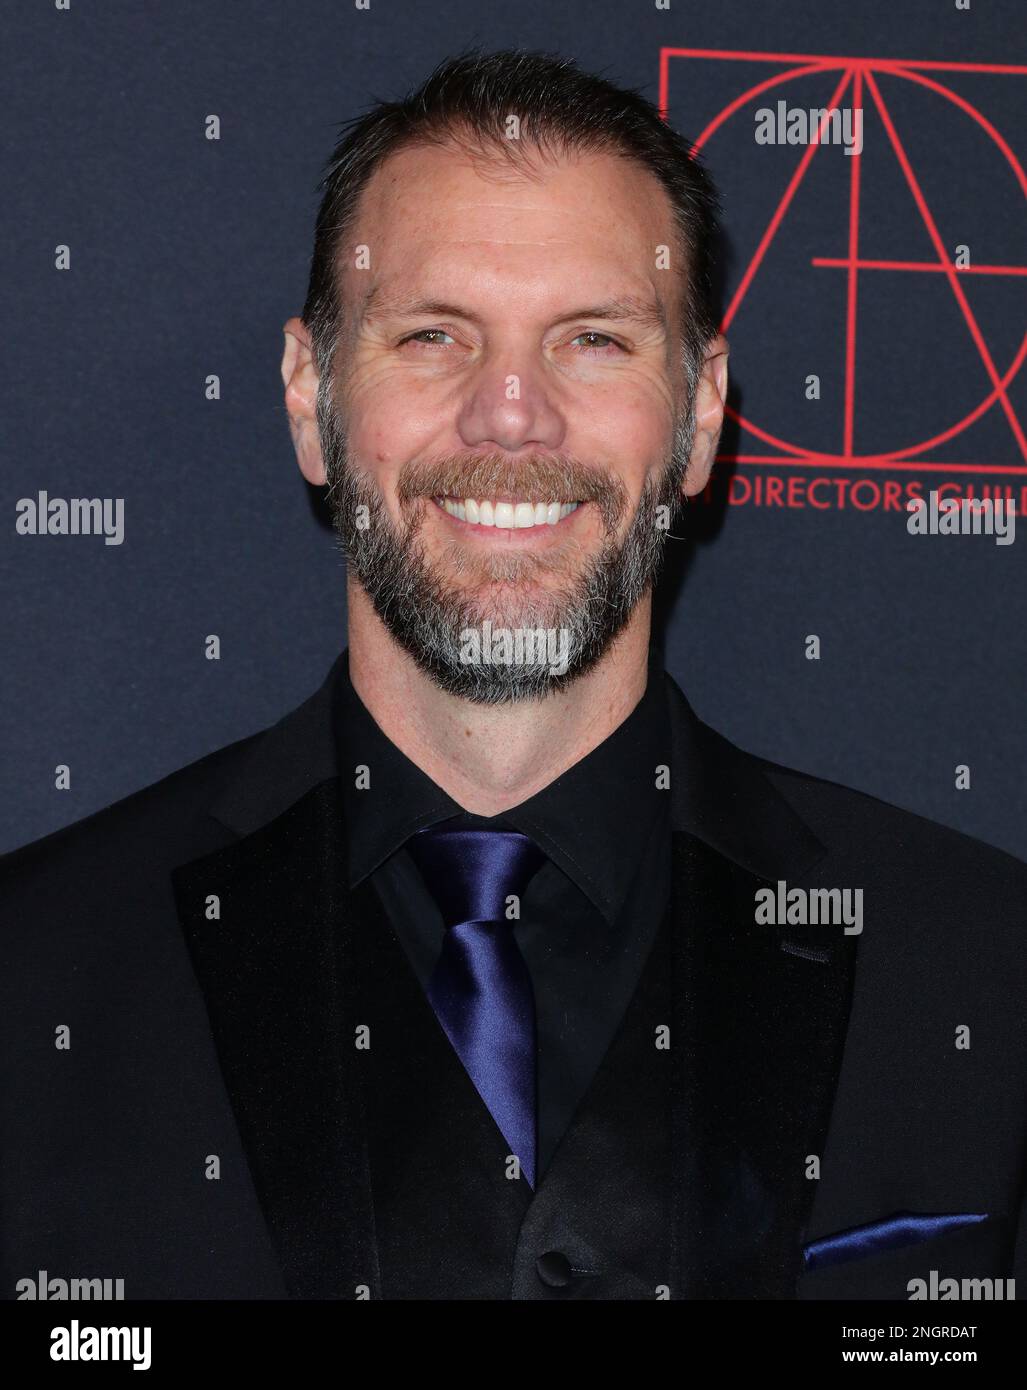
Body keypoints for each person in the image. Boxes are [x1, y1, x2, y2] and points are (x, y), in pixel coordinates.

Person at [3, 48, 1024, 1302]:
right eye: (432, 335)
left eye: (592, 341)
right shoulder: (38, 970)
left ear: (701, 415)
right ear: (310, 395)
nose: (510, 415)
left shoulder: (982, 971)